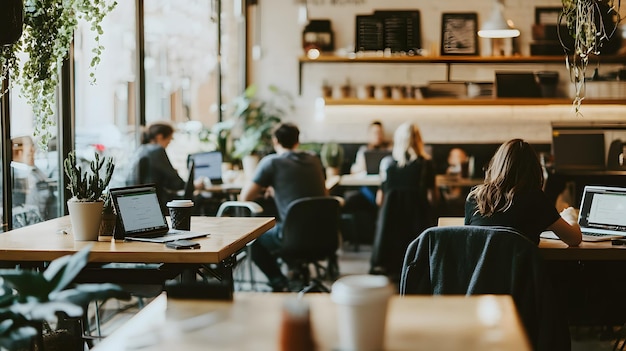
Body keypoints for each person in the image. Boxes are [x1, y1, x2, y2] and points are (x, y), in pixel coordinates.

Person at [240, 122, 327, 292]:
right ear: (297, 141)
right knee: (285, 225)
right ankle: (295, 271)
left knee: (252, 238)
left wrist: (270, 188)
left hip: (292, 236)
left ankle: (279, 282)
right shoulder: (314, 160)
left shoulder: (272, 163)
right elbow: (324, 193)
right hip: (324, 233)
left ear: (275, 141)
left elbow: (245, 197)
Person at [465, 138, 582, 246]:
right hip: (519, 268)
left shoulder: (475, 197)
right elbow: (574, 239)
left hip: (480, 268)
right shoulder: (535, 199)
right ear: (534, 169)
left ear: (496, 165)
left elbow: (468, 239)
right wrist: (570, 216)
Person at [376, 122, 437, 223]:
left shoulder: (386, 163)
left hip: (391, 226)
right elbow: (432, 199)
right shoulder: (426, 164)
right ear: (419, 141)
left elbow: (379, 200)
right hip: (418, 225)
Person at [125, 122, 185, 214]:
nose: (169, 142)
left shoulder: (141, 150)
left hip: (137, 205)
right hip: (156, 206)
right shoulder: (156, 150)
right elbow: (176, 184)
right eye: (170, 138)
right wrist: (194, 185)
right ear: (160, 137)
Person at [11, 135, 57, 222]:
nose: (33, 152)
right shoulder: (15, 174)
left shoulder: (35, 171)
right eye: (29, 153)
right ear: (19, 152)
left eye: (33, 149)